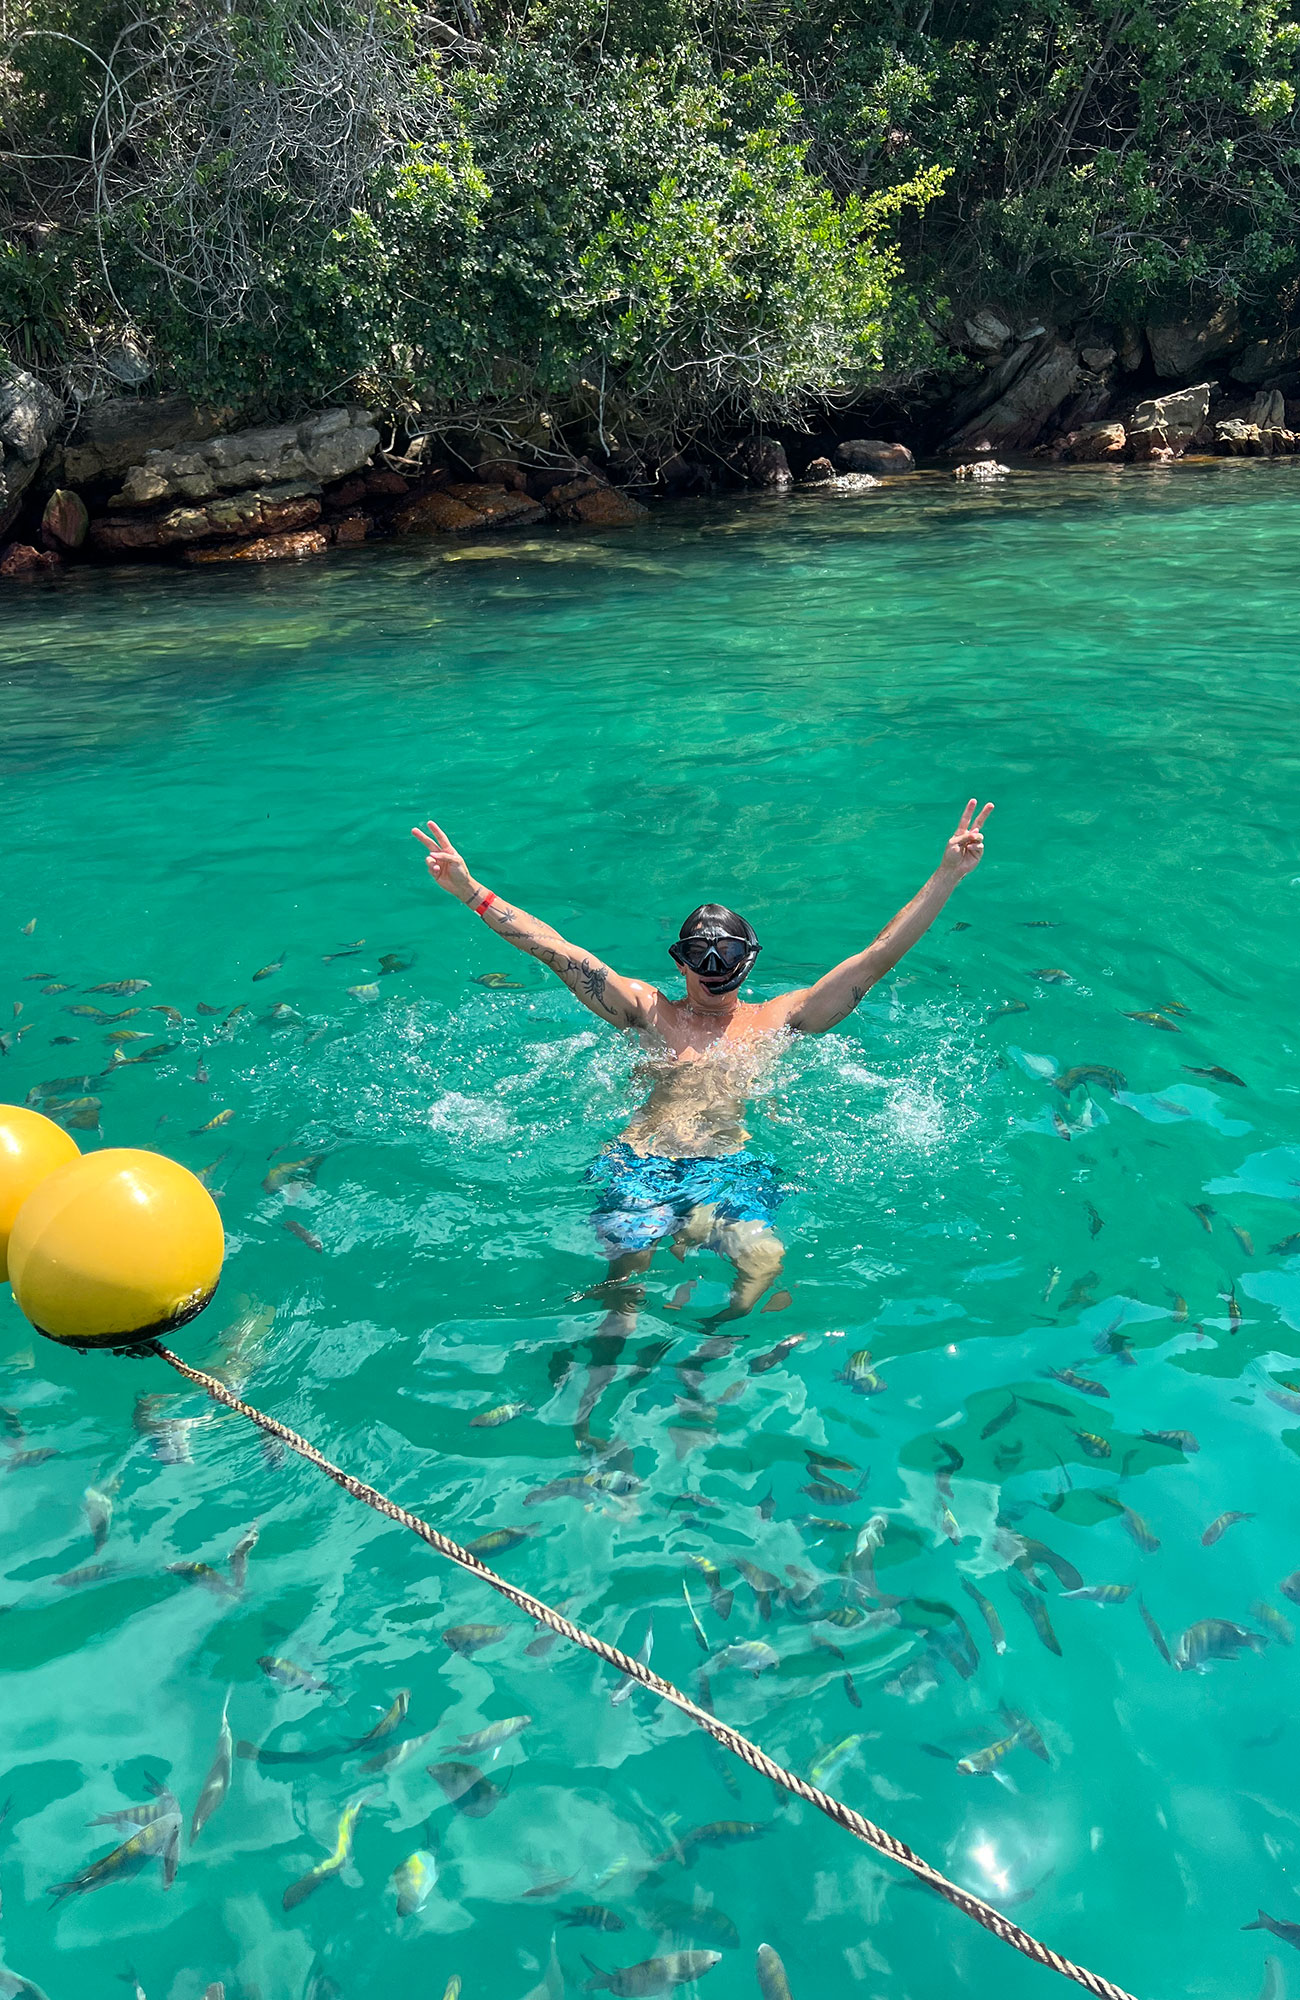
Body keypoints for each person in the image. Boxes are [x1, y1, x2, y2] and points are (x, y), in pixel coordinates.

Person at [411, 800, 993, 1391]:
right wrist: (471, 891)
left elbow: (877, 958)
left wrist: (947, 875)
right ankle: (599, 1386)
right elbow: (560, 953)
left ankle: (706, 1348)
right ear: (681, 963)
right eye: (700, 957)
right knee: (627, 1291)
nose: (714, 969)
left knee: (764, 1263)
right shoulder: (647, 1012)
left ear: (749, 961)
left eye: (728, 956)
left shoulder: (778, 1020)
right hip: (642, 1162)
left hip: (726, 1167)